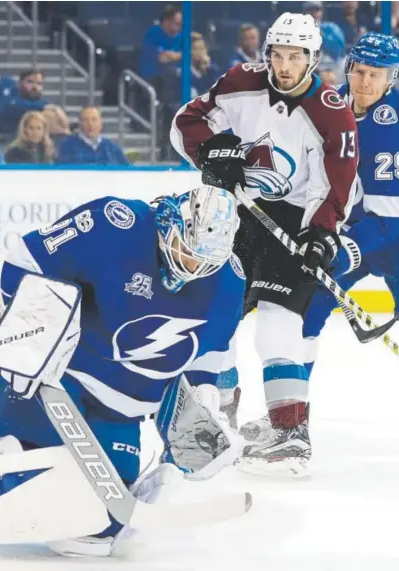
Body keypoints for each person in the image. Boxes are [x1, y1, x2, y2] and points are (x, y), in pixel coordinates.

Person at [0, 185, 245, 556]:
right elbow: (24, 262)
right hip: (54, 384)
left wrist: (201, 415)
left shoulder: (229, 281)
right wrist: (32, 341)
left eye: (206, 262)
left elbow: (207, 357)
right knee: (13, 462)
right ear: (172, 223)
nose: (194, 269)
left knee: (93, 533)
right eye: (188, 254)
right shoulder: (116, 225)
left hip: (123, 415)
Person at [170, 12, 358, 474]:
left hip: (294, 223)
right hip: (233, 215)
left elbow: (338, 185)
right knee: (216, 317)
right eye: (278, 54)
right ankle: (219, 421)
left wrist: (320, 234)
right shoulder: (240, 81)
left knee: (277, 322)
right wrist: (216, 154)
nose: (285, 65)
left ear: (312, 59)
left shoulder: (333, 112)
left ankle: (290, 433)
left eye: (296, 56)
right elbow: (185, 124)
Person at [303, 33, 399, 378]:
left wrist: (347, 250)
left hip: (390, 235)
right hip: (354, 231)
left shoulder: (395, 121)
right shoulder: (332, 106)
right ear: (348, 68)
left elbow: (391, 217)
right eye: (360, 71)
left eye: (376, 74)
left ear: (392, 77)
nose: (365, 81)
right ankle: (290, 413)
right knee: (305, 312)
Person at [57, 106, 128, 165]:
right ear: (80, 123)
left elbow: (126, 171)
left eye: (94, 119)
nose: (90, 124)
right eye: (85, 120)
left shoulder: (112, 148)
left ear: (101, 123)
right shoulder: (68, 146)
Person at [0, 69, 50, 136]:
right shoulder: (12, 97)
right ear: (20, 83)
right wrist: (45, 107)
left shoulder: (43, 104)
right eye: (30, 82)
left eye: (39, 83)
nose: (35, 87)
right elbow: (17, 105)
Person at [139, 4, 182, 85]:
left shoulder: (181, 36)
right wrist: (181, 55)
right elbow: (163, 58)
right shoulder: (153, 34)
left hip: (177, 80)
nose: (179, 27)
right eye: (177, 24)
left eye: (181, 24)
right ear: (166, 21)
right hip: (154, 81)